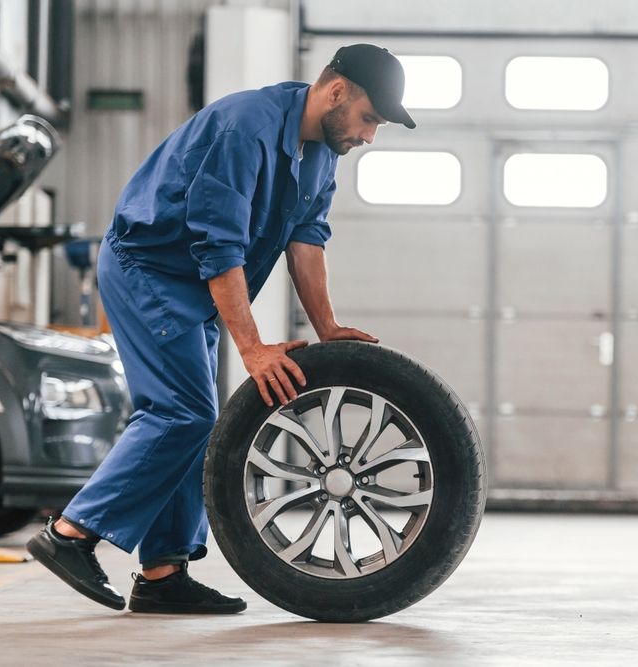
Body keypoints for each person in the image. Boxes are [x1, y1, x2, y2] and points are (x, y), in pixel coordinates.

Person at [27, 44, 415, 614]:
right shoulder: (246, 128)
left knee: (191, 420)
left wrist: (327, 327)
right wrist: (253, 347)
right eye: (369, 119)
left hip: (196, 287)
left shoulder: (320, 152)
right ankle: (70, 535)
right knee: (182, 413)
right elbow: (219, 243)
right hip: (150, 270)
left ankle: (162, 574)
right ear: (336, 92)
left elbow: (306, 239)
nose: (369, 136)